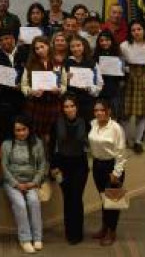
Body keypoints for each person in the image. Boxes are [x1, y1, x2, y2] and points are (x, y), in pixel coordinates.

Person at [2, 115, 47, 254]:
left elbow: (42, 166)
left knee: (34, 201)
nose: (21, 133)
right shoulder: (7, 144)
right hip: (13, 183)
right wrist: (16, 184)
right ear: (13, 131)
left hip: (31, 183)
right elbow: (4, 167)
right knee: (20, 204)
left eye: (24, 129)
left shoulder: (37, 143)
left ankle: (37, 237)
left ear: (29, 129)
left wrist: (34, 183)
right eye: (18, 130)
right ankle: (25, 239)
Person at [48, 95, 89, 245]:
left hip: (80, 165)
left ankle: (78, 233)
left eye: (72, 106)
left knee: (77, 199)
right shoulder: (56, 123)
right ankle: (69, 232)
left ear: (77, 107)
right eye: (66, 106)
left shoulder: (86, 122)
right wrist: (53, 167)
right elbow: (51, 147)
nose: (69, 109)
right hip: (62, 166)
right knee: (68, 199)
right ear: (62, 108)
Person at [88, 98, 127, 246]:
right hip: (98, 166)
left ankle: (112, 232)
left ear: (108, 111)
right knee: (104, 200)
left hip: (113, 167)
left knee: (113, 202)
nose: (98, 113)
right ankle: (104, 228)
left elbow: (121, 153)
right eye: (96, 110)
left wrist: (116, 173)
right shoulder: (92, 124)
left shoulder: (116, 128)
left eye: (101, 110)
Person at [120, 20, 145, 153]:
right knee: (125, 113)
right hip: (128, 81)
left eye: (139, 29)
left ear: (144, 30)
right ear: (130, 32)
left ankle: (137, 141)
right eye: (133, 30)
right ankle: (123, 140)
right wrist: (125, 68)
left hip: (144, 80)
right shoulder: (124, 45)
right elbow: (119, 63)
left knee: (141, 114)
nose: (136, 32)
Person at [21, 36, 66, 142]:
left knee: (51, 137)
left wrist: (59, 90)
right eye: (37, 48)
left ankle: (50, 157)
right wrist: (31, 91)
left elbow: (64, 85)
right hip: (35, 106)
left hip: (53, 105)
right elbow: (24, 86)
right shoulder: (30, 65)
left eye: (42, 46)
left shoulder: (58, 64)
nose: (40, 50)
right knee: (35, 137)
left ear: (48, 46)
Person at [65, 35, 102, 123]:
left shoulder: (92, 63)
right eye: (72, 46)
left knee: (87, 126)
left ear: (83, 46)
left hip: (88, 101)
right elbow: (59, 85)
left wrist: (90, 88)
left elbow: (99, 84)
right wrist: (65, 79)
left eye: (78, 45)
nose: (76, 49)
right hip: (71, 102)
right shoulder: (66, 62)